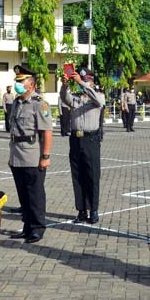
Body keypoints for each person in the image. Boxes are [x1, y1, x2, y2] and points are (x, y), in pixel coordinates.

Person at [7, 65, 52, 244]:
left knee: (35, 194)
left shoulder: (39, 103)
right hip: (17, 154)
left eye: (20, 81)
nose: (17, 84)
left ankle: (37, 228)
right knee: (23, 194)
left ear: (31, 85)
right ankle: (27, 227)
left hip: (32, 155)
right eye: (16, 81)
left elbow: (46, 132)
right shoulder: (17, 102)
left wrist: (45, 156)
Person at [61, 67, 105, 224]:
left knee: (92, 176)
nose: (81, 85)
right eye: (80, 82)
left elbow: (99, 102)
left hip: (90, 140)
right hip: (75, 140)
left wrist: (82, 84)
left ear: (91, 82)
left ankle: (93, 209)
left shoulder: (98, 96)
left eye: (85, 81)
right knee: (78, 176)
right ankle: (81, 211)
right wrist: (65, 85)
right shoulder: (76, 98)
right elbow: (65, 98)